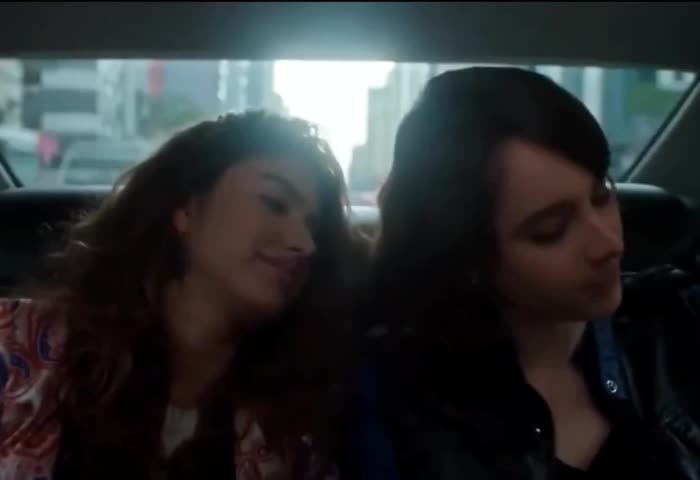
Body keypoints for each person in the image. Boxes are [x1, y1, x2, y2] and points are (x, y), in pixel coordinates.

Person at [344, 67, 700, 479]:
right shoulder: (391, 399)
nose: (608, 244)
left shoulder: (678, 321)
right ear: (467, 256)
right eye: (551, 230)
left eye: (602, 197)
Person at [0, 111, 352, 480]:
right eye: (275, 203)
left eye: (313, 228)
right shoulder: (15, 349)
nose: (305, 243)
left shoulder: (298, 426)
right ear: (186, 207)